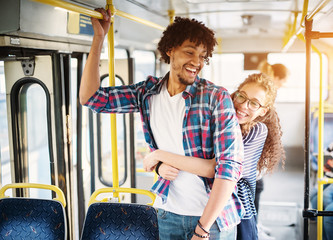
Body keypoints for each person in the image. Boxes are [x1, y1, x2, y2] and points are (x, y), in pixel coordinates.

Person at [79, 8, 244, 240]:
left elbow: (228, 169)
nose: (197, 62)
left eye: (203, 56)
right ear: (170, 50)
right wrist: (98, 40)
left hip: (212, 221)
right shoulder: (147, 93)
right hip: (167, 213)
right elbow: (92, 98)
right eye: (190, 52)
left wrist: (202, 229)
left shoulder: (215, 97)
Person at [143, 73, 286, 240]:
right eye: (241, 97)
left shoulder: (257, 132)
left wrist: (159, 155)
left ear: (263, 111)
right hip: (186, 206)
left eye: (254, 103)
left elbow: (214, 169)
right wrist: (160, 166)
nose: (244, 106)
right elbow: (182, 150)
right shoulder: (213, 119)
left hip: (233, 212)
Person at [256, 60, 289, 240]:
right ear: (276, 77)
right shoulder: (266, 92)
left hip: (260, 148)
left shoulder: (268, 92)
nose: (284, 84)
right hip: (256, 149)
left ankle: (256, 224)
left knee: (258, 186)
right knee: (256, 187)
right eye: (283, 80)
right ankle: (253, 227)